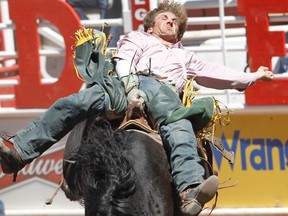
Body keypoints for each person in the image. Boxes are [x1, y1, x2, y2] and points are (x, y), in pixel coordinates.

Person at [0, 0, 274, 215]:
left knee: (178, 125)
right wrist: (131, 89)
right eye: (165, 17)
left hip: (164, 90)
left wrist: (252, 76)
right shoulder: (138, 38)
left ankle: (190, 190)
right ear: (151, 25)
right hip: (125, 82)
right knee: (74, 102)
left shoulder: (184, 55)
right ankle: (20, 152)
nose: (171, 21)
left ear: (179, 33)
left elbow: (216, 72)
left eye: (176, 21)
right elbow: (124, 60)